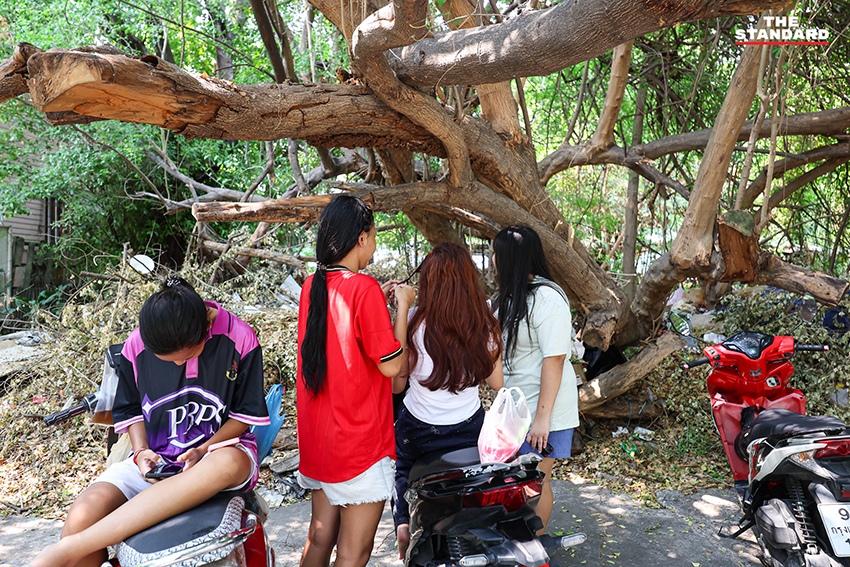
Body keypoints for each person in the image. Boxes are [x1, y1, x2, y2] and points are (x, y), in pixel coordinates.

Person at [31, 276, 270, 567]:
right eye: (168, 360)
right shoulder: (137, 344)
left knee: (227, 464)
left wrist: (203, 450)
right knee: (82, 514)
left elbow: (243, 416)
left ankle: (68, 549)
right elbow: (131, 408)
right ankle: (76, 544)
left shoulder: (240, 338)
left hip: (217, 456)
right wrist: (142, 451)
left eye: (185, 357)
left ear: (206, 329)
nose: (178, 366)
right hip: (157, 462)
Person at [296, 194, 416, 567]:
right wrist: (403, 307)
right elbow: (392, 366)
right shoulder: (363, 288)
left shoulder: (309, 287)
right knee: (353, 553)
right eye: (374, 233)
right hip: (359, 445)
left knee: (320, 539)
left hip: (319, 442)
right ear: (362, 237)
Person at [392, 243, 504, 560]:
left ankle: (403, 524)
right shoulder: (485, 324)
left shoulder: (413, 322)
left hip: (419, 433)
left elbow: (396, 381)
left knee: (403, 471)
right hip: (470, 431)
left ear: (428, 283)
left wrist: (402, 307)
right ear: (470, 280)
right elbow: (497, 383)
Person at [491, 225, 579, 534]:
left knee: (537, 479)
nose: (492, 261)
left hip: (545, 407)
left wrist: (543, 419)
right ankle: (517, 541)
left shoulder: (548, 298)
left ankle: (535, 543)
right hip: (516, 408)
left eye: (496, 255)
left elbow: (554, 359)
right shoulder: (506, 299)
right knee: (513, 480)